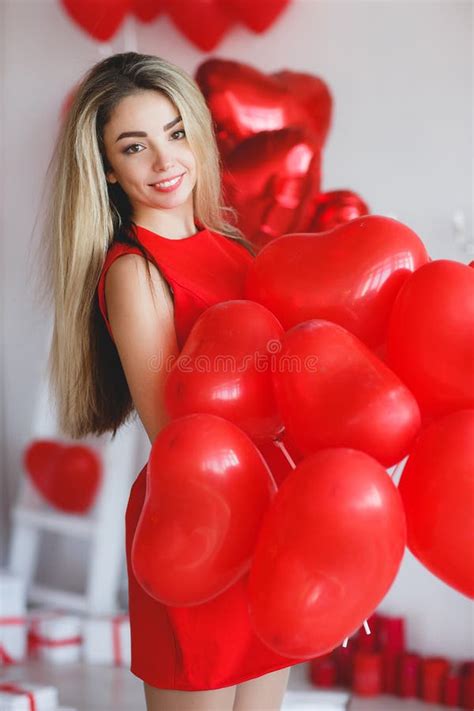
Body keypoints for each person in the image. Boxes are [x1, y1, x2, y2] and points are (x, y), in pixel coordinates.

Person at [38, 51, 305, 711]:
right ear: (106, 168)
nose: (164, 161)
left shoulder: (237, 252)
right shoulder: (135, 271)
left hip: (275, 515)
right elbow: (173, 430)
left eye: (175, 132)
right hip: (200, 521)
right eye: (135, 146)